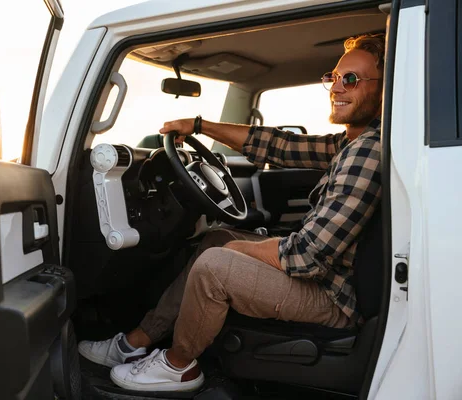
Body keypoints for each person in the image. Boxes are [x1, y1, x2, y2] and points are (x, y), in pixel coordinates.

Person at [79, 33, 385, 392]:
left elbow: (307, 255)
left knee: (215, 264)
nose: (337, 87)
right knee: (218, 237)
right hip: (328, 276)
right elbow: (280, 145)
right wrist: (198, 126)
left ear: (384, 91)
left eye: (351, 79)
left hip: (334, 298)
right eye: (333, 78)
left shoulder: (367, 150)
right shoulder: (350, 142)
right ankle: (136, 341)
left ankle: (179, 366)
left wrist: (240, 251)